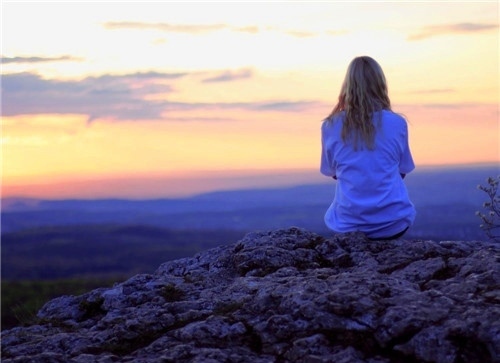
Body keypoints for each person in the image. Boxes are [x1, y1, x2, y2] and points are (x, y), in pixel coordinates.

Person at [320, 56, 416, 240]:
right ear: (381, 84)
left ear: (347, 86)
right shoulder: (397, 123)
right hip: (393, 223)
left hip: (347, 225)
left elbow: (332, 172)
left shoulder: (330, 126)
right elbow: (403, 170)